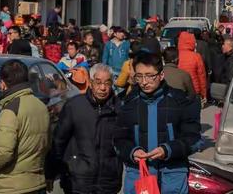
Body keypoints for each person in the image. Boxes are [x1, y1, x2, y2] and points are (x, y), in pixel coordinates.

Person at [113, 51, 202, 194]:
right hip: (139, 175)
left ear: (161, 75)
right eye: (139, 76)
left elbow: (194, 139)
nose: (144, 82)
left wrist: (167, 150)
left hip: (172, 177)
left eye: (149, 76)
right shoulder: (127, 103)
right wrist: (132, 152)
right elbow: (118, 139)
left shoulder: (180, 101)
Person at [46, 63, 122, 194]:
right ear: (91, 83)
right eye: (98, 83)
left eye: (107, 83)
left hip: (108, 180)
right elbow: (59, 141)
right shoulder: (75, 106)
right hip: (77, 179)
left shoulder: (118, 108)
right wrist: (51, 172)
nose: (102, 88)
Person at [0, 59, 50, 194]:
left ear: (3, 83)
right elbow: (47, 144)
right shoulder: (41, 106)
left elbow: (2, 152)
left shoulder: (10, 110)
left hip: (12, 186)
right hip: (36, 182)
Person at [177, 31, 207, 102]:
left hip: (178, 90)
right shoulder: (196, 56)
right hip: (194, 90)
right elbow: (201, 76)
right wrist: (203, 94)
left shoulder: (175, 55)